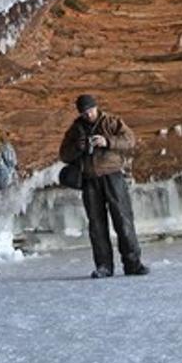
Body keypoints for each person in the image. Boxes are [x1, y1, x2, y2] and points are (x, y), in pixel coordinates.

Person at [58, 94, 148, 278]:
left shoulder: (111, 122)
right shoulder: (76, 130)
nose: (88, 115)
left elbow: (129, 140)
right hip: (90, 179)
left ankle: (133, 264)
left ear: (96, 107)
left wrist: (107, 142)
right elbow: (64, 155)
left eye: (90, 110)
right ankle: (104, 266)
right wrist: (78, 147)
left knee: (123, 220)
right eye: (84, 112)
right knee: (97, 225)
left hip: (113, 175)